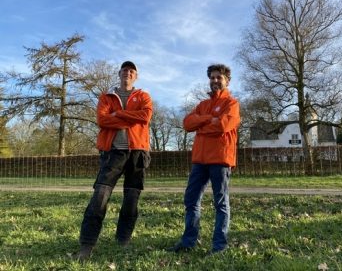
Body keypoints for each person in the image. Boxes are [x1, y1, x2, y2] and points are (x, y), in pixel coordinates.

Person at [75, 61, 153, 261]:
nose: (128, 73)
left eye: (132, 71)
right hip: (113, 153)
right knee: (99, 197)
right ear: (119, 74)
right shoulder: (106, 97)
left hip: (137, 153)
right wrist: (129, 118)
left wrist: (118, 114)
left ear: (136, 76)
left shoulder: (143, 96)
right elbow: (102, 120)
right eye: (125, 70)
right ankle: (87, 244)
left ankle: (123, 239)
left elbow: (145, 117)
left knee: (131, 199)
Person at [167, 64, 240, 255]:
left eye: (219, 77)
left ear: (227, 81)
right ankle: (188, 242)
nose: (215, 80)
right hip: (200, 159)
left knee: (221, 203)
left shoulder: (232, 104)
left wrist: (201, 125)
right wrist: (209, 118)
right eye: (212, 77)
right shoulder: (202, 105)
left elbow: (223, 126)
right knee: (191, 199)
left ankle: (219, 246)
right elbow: (187, 123)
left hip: (220, 159)